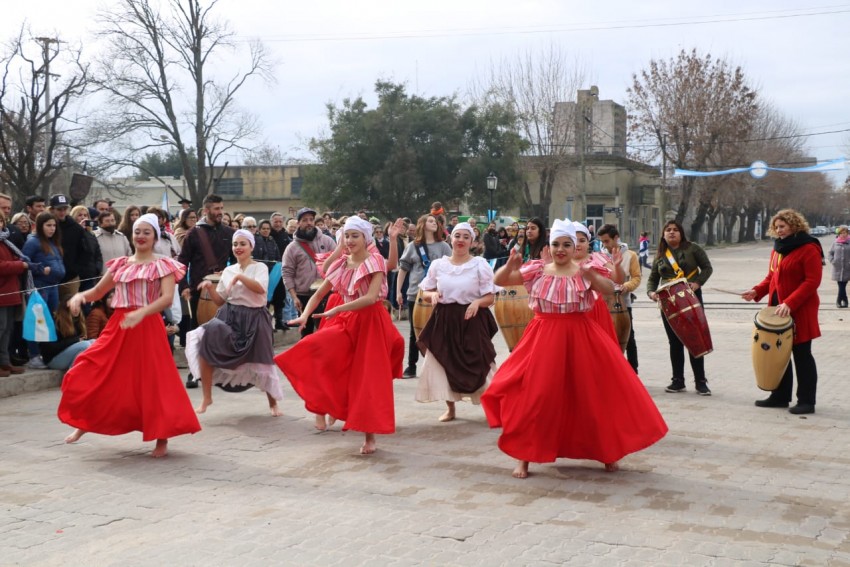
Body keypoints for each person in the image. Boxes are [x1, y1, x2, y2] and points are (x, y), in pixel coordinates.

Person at [483, 219, 668, 478]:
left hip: (581, 337)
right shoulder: (538, 269)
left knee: (591, 395)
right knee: (536, 396)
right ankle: (524, 457)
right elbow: (500, 280)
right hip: (543, 338)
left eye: (566, 244)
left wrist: (596, 274)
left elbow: (608, 289)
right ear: (549, 245)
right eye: (556, 244)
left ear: (574, 247)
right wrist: (510, 266)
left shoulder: (585, 270)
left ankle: (607, 452)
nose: (561, 249)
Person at [58, 213, 201, 457]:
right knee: (94, 368)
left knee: (153, 382)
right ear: (131, 235)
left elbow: (166, 298)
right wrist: (80, 296)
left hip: (148, 327)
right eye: (137, 231)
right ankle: (85, 422)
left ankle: (161, 436)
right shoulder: (121, 263)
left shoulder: (163, 264)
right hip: (119, 326)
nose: (141, 236)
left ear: (155, 235)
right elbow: (98, 291)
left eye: (147, 232)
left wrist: (142, 313)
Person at [275, 217, 404, 454]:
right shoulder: (341, 263)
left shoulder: (374, 260)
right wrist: (305, 316)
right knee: (316, 349)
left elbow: (369, 297)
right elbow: (320, 292)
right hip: (345, 321)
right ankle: (328, 408)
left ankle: (369, 437)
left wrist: (337, 309)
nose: (350, 240)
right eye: (347, 235)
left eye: (355, 236)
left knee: (367, 380)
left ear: (366, 239)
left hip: (369, 321)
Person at [186, 230, 284, 416]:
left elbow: (260, 289)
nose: (238, 248)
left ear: (251, 247)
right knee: (205, 338)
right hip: (229, 315)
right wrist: (209, 288)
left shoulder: (260, 268)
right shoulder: (229, 270)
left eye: (242, 244)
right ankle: (207, 397)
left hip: (255, 317)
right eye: (235, 244)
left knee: (263, 361)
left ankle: (273, 403)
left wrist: (240, 278)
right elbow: (220, 300)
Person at [415, 222, 499, 422]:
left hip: (472, 319)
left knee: (483, 362)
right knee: (443, 361)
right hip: (444, 319)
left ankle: (493, 407)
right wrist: (431, 296)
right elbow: (425, 290)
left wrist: (477, 302)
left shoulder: (480, 264)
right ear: (450, 239)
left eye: (465, 237)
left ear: (472, 242)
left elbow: (491, 297)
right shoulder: (439, 265)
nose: (460, 240)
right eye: (457, 236)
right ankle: (450, 408)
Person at [742, 209, 823, 415]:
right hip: (778, 310)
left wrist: (791, 302)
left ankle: (806, 401)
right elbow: (771, 277)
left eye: (782, 226)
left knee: (802, 355)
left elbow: (812, 281)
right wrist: (756, 291)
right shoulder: (777, 250)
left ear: (794, 226)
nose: (779, 231)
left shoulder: (809, 247)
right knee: (780, 354)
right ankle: (780, 396)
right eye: (776, 227)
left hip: (800, 309)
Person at [647, 220, 714, 395]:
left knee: (695, 337)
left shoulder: (693, 249)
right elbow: (653, 278)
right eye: (668, 230)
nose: (671, 233)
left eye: (675, 230)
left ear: (681, 233)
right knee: (674, 341)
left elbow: (707, 268)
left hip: (690, 298)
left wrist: (698, 283)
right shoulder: (660, 254)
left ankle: (700, 381)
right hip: (668, 302)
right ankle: (677, 381)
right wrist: (651, 293)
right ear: (663, 234)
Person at [177, 194, 236, 388]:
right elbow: (182, 263)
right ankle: (194, 373)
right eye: (216, 209)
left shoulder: (229, 232)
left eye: (221, 208)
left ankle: (221, 370)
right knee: (196, 332)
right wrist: (184, 287)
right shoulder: (194, 234)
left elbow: (237, 262)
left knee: (224, 330)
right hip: (198, 291)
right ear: (206, 211)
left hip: (223, 290)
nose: (220, 212)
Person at [396, 214, 452, 378]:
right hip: (416, 294)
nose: (434, 223)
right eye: (430, 221)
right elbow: (403, 269)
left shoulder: (444, 247)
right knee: (415, 331)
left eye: (435, 222)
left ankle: (440, 366)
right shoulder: (414, 246)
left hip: (439, 295)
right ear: (422, 224)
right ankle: (411, 366)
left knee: (439, 330)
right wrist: (399, 291)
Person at [281, 207, 336, 338]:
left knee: (328, 332)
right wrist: (294, 297)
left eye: (311, 219)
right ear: (298, 223)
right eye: (305, 220)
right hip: (304, 295)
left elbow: (338, 263)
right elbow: (287, 272)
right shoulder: (292, 248)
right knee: (306, 333)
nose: (309, 223)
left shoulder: (327, 241)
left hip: (326, 293)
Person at [597, 224, 642, 373]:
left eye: (607, 241)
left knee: (629, 337)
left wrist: (627, 286)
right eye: (602, 242)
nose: (604, 245)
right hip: (604, 303)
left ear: (616, 238)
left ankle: (633, 370)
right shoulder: (599, 256)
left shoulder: (630, 255)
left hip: (623, 302)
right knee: (605, 338)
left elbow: (636, 277)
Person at [0, 211, 32, 377]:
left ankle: (5, 362)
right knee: (1, 327)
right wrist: (20, 265)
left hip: (11, 290)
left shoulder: (5, 241)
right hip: (2, 292)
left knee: (7, 329)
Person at [39, 303, 92, 371]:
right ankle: (73, 375)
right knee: (85, 345)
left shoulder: (77, 321)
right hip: (52, 360)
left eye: (78, 306)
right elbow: (50, 348)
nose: (76, 309)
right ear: (65, 309)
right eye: (73, 306)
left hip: (66, 356)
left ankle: (75, 374)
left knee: (93, 342)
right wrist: (75, 340)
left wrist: (78, 340)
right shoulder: (56, 322)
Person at [828, 225, 850, 308]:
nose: (843, 235)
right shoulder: (835, 242)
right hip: (837, 268)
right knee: (841, 285)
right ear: (839, 234)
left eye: (845, 233)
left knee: (842, 285)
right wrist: (833, 261)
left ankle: (840, 301)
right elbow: (830, 253)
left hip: (847, 268)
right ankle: (843, 301)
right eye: (842, 233)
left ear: (848, 233)